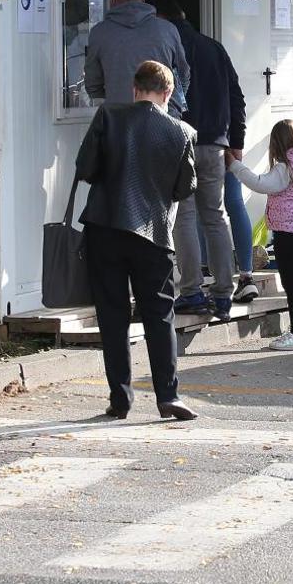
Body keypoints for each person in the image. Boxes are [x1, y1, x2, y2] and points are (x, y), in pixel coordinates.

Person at [77, 60, 199, 421]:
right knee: (159, 316)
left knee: (112, 316)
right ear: (168, 94)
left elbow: (85, 169)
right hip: (153, 235)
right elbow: (184, 188)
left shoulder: (109, 117)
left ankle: (121, 398)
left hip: (105, 226)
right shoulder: (182, 133)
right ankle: (168, 396)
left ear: (134, 89)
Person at [148, 0, 245, 319]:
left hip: (179, 140)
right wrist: (236, 140)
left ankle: (191, 291)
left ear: (160, 18)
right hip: (215, 144)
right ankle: (223, 294)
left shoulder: (165, 49)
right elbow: (236, 95)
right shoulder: (213, 47)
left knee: (185, 218)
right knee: (216, 216)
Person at [228, 121, 293, 350]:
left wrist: (235, 165)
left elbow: (260, 184)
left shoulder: (285, 167)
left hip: (287, 232)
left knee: (292, 286)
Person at [83, 0, 190, 114]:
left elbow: (92, 85)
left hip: (121, 121)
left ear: (112, 1)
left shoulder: (99, 33)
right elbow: (184, 75)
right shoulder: (167, 30)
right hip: (165, 117)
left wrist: (116, 93)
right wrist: (173, 103)